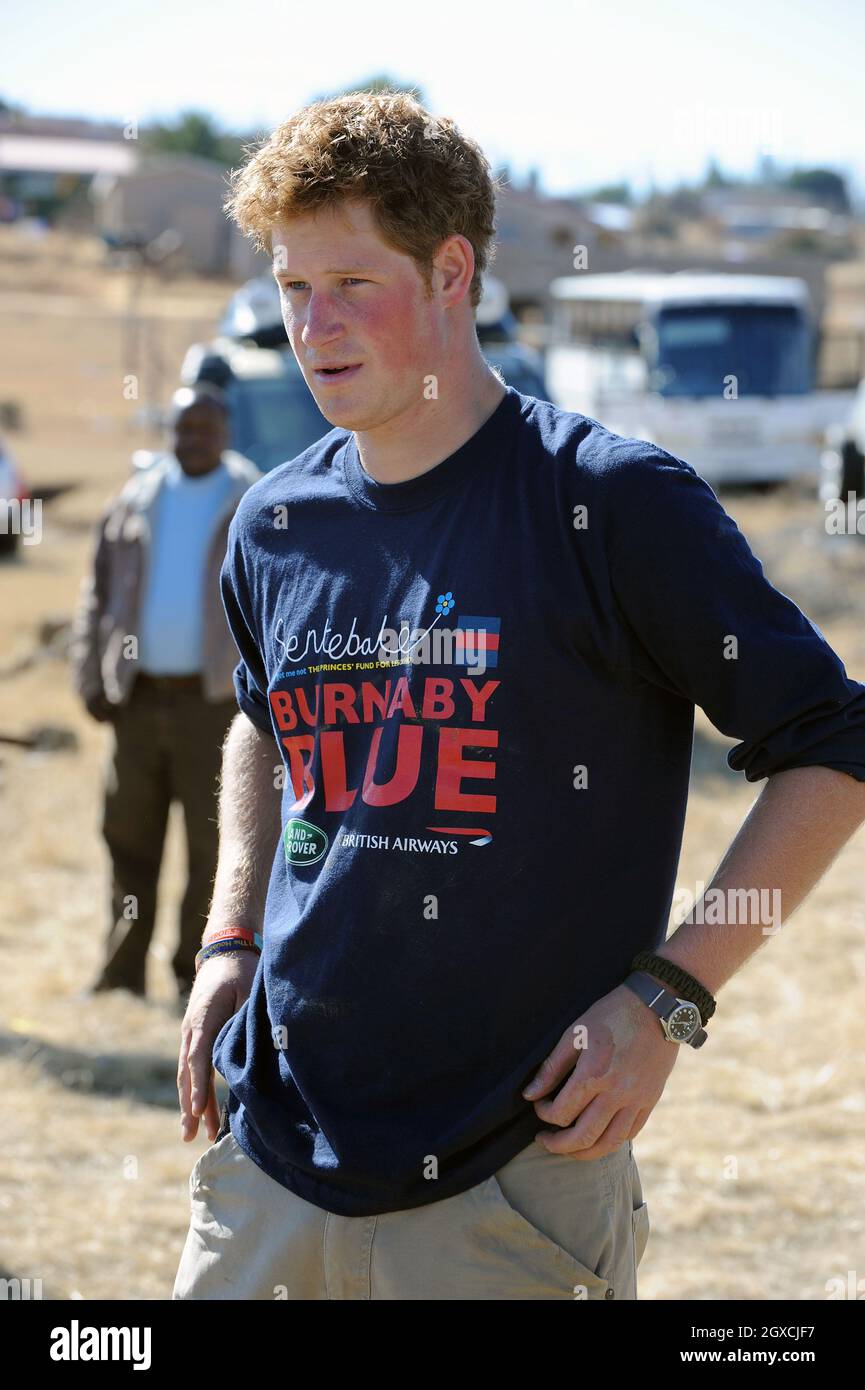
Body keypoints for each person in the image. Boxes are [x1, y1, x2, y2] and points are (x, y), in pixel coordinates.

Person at [173, 92, 865, 1301]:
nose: (312, 326)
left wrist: (671, 996)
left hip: (513, 1184)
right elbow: (260, 720)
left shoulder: (610, 502)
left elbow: (833, 741)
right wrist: (229, 934)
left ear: (453, 271)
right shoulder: (274, 520)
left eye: (350, 284)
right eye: (291, 289)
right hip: (270, 1163)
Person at [70, 385, 261, 1000]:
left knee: (215, 848)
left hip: (218, 708)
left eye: (205, 429)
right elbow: (95, 595)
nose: (193, 440)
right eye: (183, 428)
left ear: (225, 433)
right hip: (139, 700)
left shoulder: (253, 504)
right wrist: (89, 671)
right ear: (169, 431)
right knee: (127, 838)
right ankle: (122, 974)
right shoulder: (136, 500)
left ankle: (195, 975)